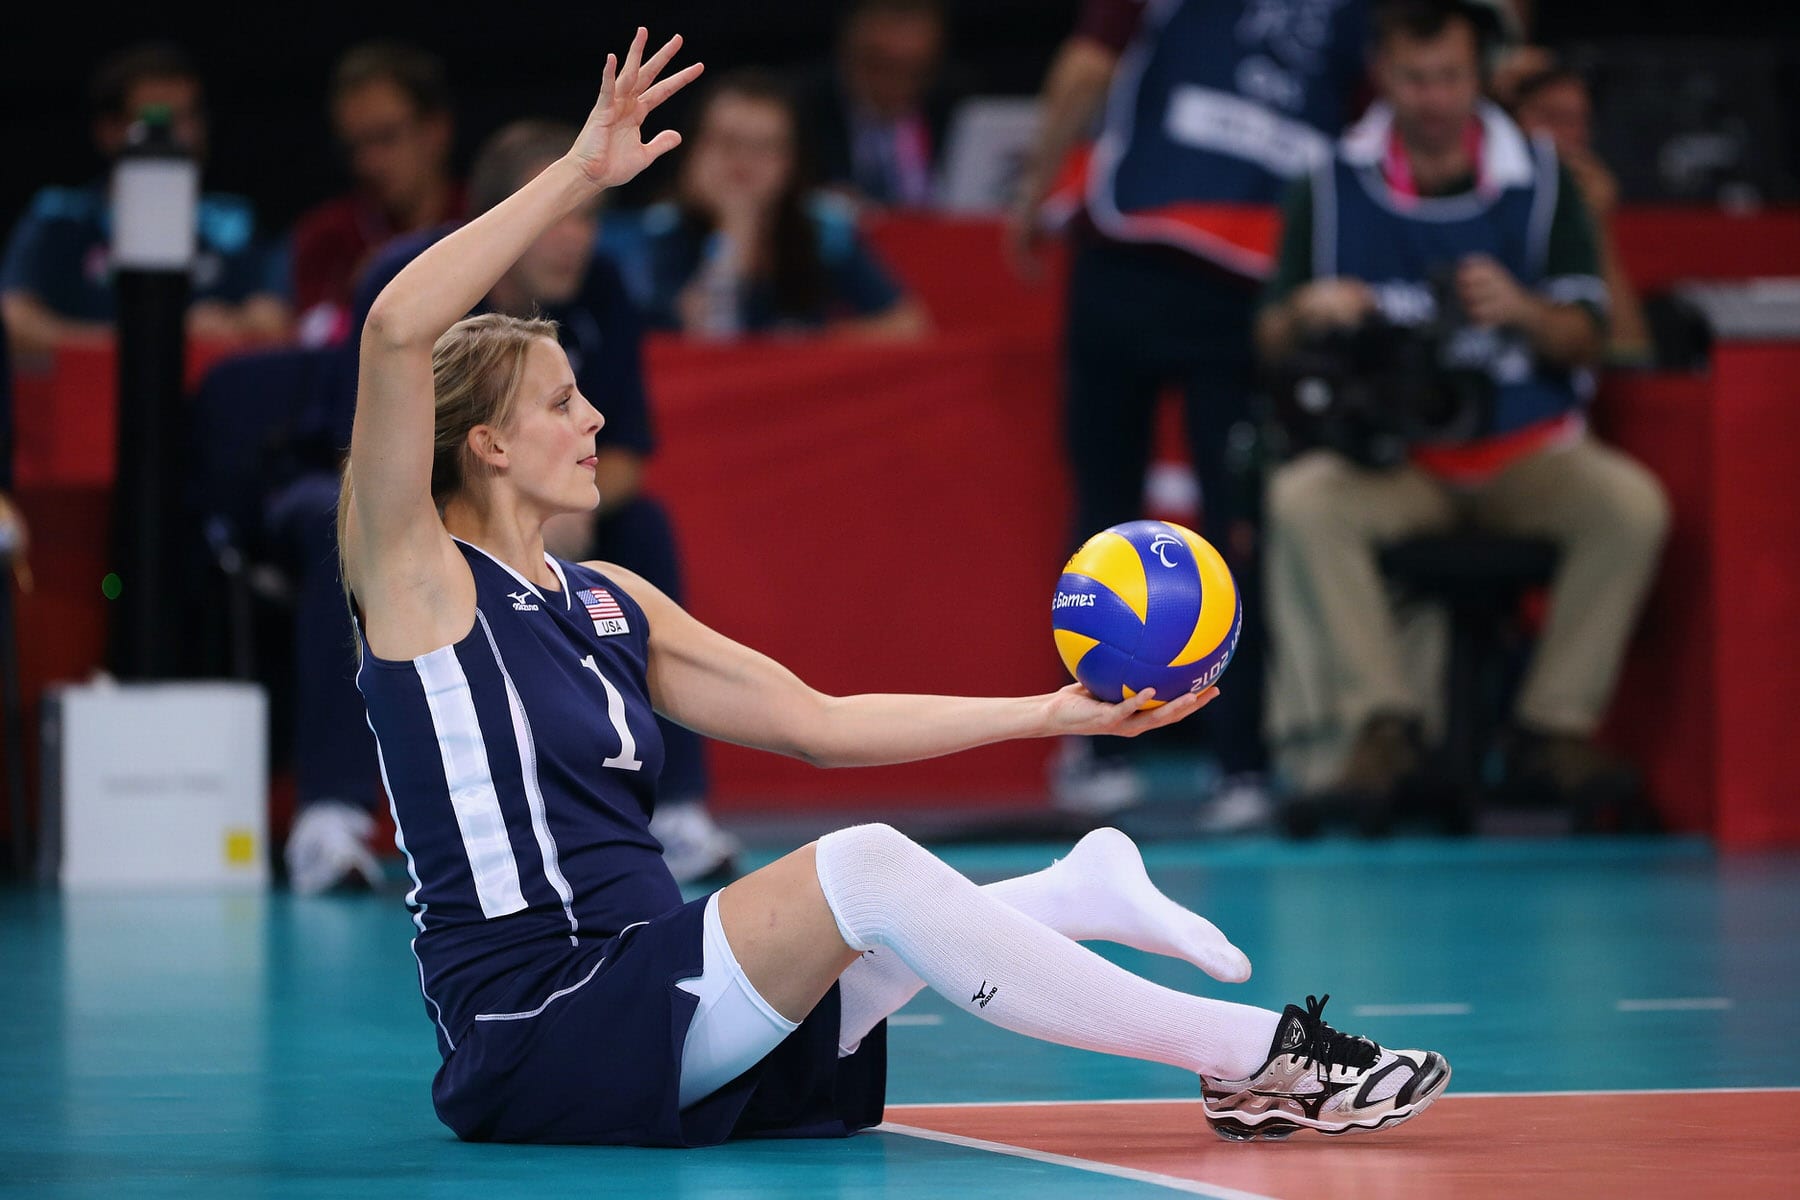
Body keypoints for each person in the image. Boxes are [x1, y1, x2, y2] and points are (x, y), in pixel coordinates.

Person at [341, 28, 1449, 1147]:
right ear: (482, 442)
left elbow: (819, 724)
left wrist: (1054, 712)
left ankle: (1074, 893)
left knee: (868, 901)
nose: (595, 418)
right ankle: (1263, 1054)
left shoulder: (609, 595)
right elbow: (394, 330)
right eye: (560, 402)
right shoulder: (420, 582)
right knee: (862, 868)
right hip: (543, 1026)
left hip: (661, 994)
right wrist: (581, 171)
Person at [281, 119, 734, 892]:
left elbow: (624, 446)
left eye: (590, 221)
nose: (576, 241)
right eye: (561, 219)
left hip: (524, 499)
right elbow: (370, 451)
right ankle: (330, 813)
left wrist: (555, 502)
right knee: (339, 532)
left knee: (645, 522)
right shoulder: (411, 278)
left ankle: (675, 808)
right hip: (394, 499)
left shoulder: (603, 291)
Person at [1255, 0, 1669, 820]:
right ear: (1382, 75)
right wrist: (1309, 311)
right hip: (1396, 460)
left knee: (1629, 505)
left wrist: (1523, 309)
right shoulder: (1330, 182)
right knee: (1303, 500)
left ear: (1477, 75)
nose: (1434, 97)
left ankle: (1552, 728)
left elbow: (1592, 336)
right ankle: (1380, 729)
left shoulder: (1545, 179)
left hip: (1525, 449)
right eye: (1414, 78)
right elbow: (1268, 334)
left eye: (1449, 76)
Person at [1008, 0, 1371, 823]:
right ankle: (1240, 767)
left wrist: (1032, 193)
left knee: (1107, 508)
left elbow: (1087, 69)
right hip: (1248, 273)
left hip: (1136, 258)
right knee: (1233, 519)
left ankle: (1101, 749)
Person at [0, 42, 289, 358]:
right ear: (109, 130)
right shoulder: (57, 215)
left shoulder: (233, 222)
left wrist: (231, 324)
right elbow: (16, 323)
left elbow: (276, 323)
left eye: (192, 116)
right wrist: (150, 340)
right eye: (161, 119)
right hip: (86, 397)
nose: (186, 136)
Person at [634, 69, 928, 339]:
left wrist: (810, 343)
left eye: (764, 147)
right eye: (728, 142)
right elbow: (708, 331)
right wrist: (736, 225)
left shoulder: (825, 229)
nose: (744, 162)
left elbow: (906, 324)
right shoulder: (663, 230)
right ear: (694, 150)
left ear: (791, 161)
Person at [290, 42, 464, 347]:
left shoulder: (488, 212)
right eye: (355, 146)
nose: (368, 164)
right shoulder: (325, 237)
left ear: (437, 129)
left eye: (386, 137)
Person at [1509, 63, 1653, 364]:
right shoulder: (1488, 191)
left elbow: (1631, 352)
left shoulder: (1585, 202)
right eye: (1553, 118)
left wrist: (1596, 223)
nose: (1569, 135)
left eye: (1579, 121)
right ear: (1511, 122)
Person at [795, 0, 957, 208]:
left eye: (915, 72)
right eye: (883, 67)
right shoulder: (800, 110)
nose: (898, 85)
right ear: (850, 48)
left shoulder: (954, 107)